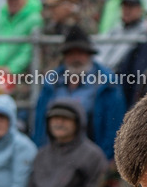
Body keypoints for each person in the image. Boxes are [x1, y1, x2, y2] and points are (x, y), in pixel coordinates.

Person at [33, 26, 127, 159]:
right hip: (54, 157)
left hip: (90, 159)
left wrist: (103, 161)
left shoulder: (107, 86)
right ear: (65, 57)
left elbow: (114, 129)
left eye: (81, 53)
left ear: (89, 55)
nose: (76, 58)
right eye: (71, 54)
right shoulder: (51, 84)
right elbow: (39, 125)